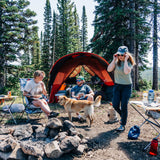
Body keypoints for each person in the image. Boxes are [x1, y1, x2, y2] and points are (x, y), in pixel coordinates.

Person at [107, 46, 135, 131]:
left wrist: (126, 60)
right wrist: (113, 60)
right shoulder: (116, 62)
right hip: (117, 86)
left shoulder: (129, 62)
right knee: (115, 105)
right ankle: (123, 117)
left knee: (123, 105)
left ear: (126, 55)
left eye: (122, 55)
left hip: (126, 86)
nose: (120, 56)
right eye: (119, 54)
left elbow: (126, 72)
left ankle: (122, 124)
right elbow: (109, 69)